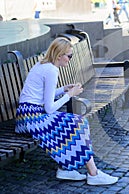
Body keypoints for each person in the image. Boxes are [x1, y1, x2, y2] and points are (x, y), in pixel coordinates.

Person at [15, 37, 118, 186]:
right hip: (31, 118)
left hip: (26, 114)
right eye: (69, 56)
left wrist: (63, 89)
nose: (70, 59)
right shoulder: (51, 70)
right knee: (77, 123)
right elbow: (49, 108)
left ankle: (66, 168)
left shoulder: (43, 64)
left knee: (77, 122)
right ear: (59, 56)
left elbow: (42, 96)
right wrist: (70, 95)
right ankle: (93, 173)